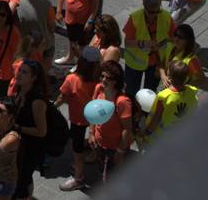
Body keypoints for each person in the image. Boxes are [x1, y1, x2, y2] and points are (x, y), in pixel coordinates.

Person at [57, 47, 102, 191]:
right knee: (85, 145)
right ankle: (83, 163)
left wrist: (51, 107)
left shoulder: (72, 79)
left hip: (78, 121)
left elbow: (61, 97)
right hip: (95, 122)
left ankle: (79, 178)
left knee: (77, 149)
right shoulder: (99, 81)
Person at [7, 59, 49, 200]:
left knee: (21, 182)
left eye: (24, 72)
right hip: (19, 146)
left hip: (29, 149)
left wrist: (18, 127)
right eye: (19, 70)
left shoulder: (37, 102)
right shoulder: (20, 91)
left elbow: (41, 131)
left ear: (34, 77)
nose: (19, 74)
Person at [122, 0, 173, 99]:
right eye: (150, 12)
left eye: (157, 11)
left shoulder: (166, 17)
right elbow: (127, 43)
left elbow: (174, 38)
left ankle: (145, 113)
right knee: (131, 91)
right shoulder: (135, 18)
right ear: (145, 7)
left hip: (156, 63)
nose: (154, 15)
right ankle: (132, 111)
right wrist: (143, 43)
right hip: (134, 64)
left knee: (150, 92)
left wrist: (164, 64)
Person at [89, 61, 133, 183]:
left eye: (108, 78)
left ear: (116, 81)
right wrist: (91, 133)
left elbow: (127, 129)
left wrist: (120, 151)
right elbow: (93, 111)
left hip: (114, 148)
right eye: (102, 76)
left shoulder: (122, 101)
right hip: (100, 143)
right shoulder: (98, 89)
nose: (103, 80)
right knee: (102, 171)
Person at [55, 0, 100, 67]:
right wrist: (59, 11)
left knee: (82, 44)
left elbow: (95, 4)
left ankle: (81, 64)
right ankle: (70, 58)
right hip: (70, 18)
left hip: (83, 21)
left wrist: (90, 21)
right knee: (72, 40)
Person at [144, 61, 199, 139]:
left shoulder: (164, 96)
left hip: (161, 135)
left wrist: (147, 131)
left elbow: (157, 118)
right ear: (186, 78)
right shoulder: (192, 91)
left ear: (169, 75)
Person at [163, 23, 204, 89]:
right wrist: (163, 76)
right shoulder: (170, 46)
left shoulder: (192, 60)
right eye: (176, 35)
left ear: (188, 41)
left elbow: (201, 80)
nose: (176, 39)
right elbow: (161, 64)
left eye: (181, 37)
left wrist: (182, 86)